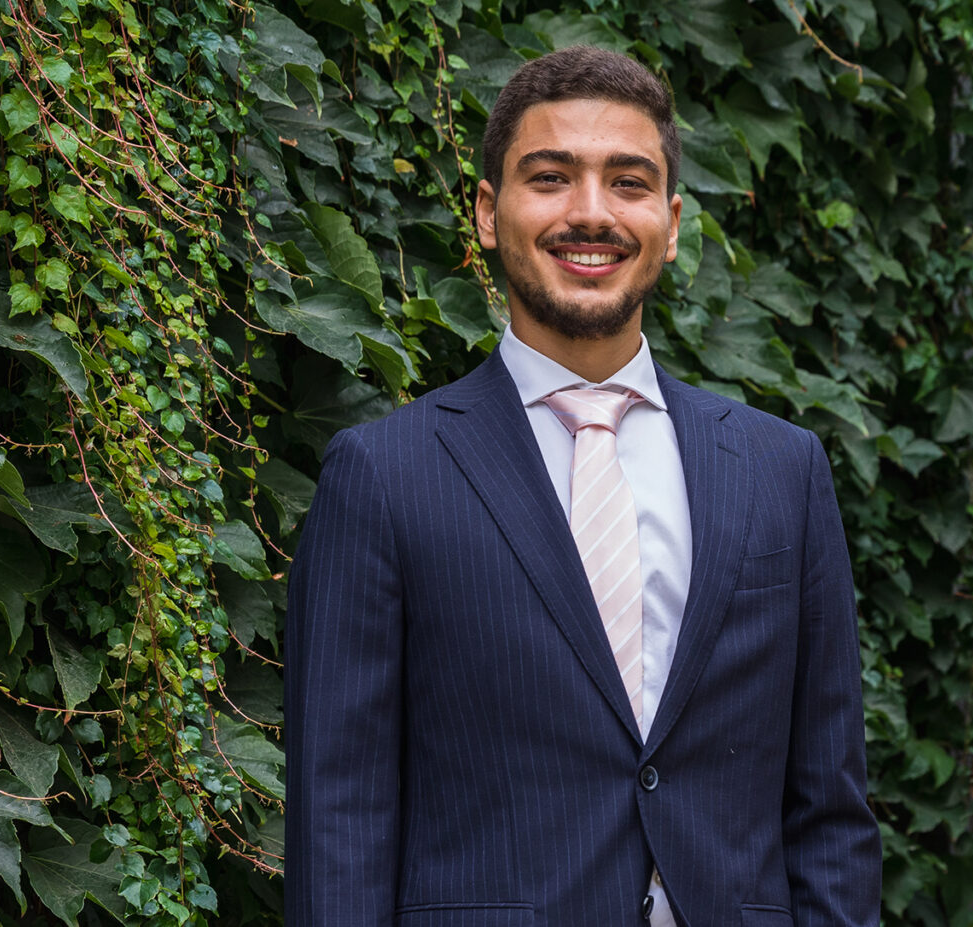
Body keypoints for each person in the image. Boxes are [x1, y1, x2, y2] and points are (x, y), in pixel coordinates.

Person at [285, 44, 881, 927]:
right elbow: (339, 819)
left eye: (628, 182)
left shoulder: (782, 468)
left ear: (670, 224)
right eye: (551, 178)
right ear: (488, 212)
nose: (591, 212)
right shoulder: (382, 475)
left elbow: (829, 812)